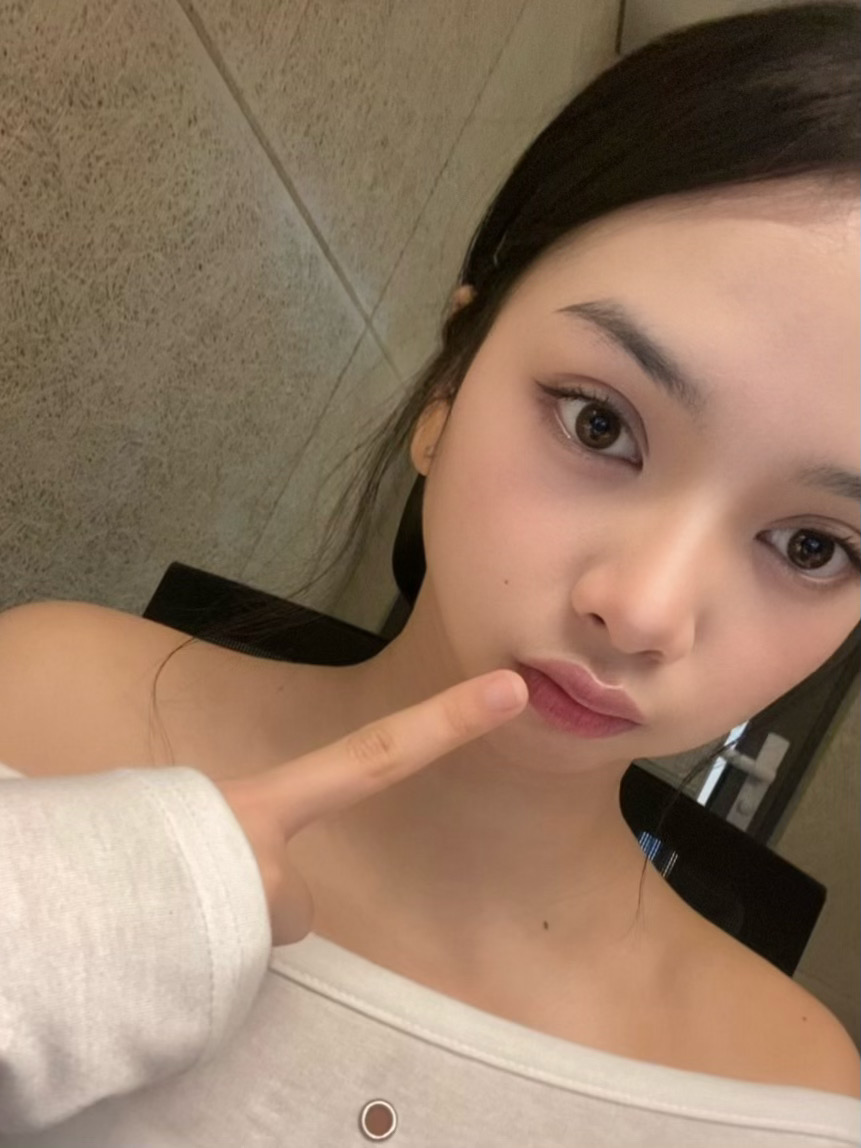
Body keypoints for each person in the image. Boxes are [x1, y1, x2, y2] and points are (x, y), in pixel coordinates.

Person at [1, 3, 859, 1144]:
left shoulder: (787, 1099)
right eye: (599, 423)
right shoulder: (43, 703)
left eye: (812, 546)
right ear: (446, 392)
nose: (641, 609)